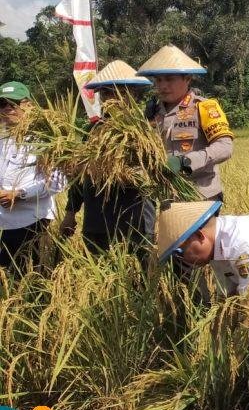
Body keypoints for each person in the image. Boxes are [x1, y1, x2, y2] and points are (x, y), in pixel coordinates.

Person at [60, 60, 157, 258]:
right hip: (97, 221)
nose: (111, 98)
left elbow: (155, 175)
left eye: (118, 92)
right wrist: (70, 212)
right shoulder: (92, 130)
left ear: (133, 94)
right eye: (105, 93)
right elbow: (82, 177)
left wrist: (123, 172)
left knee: (139, 278)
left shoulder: (146, 130)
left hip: (134, 221)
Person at [136, 45, 234, 201]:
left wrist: (185, 161)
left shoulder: (204, 107)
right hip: (168, 196)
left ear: (187, 78)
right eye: (159, 80)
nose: (162, 86)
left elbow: (225, 147)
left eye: (169, 79)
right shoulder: (151, 114)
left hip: (202, 195)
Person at [0, 81, 65, 269]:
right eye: (1, 105)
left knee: (29, 278)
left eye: (11, 104)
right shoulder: (3, 139)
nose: (6, 109)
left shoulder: (46, 138)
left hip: (34, 220)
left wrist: (19, 194)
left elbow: (56, 182)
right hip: (7, 221)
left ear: (27, 105)